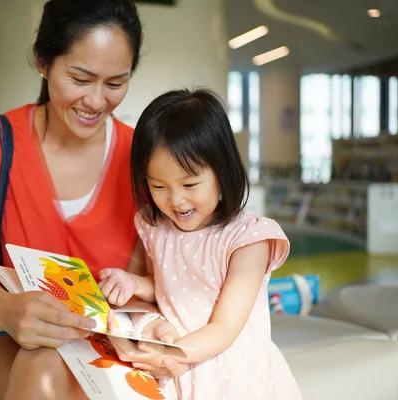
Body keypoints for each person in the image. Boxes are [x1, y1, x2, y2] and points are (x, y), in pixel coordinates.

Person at [0, 1, 187, 398]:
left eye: (114, 84)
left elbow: (148, 277)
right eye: (80, 78)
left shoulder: (145, 158)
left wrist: (139, 332)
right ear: (43, 61)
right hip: (4, 332)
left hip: (109, 340)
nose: (96, 101)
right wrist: (2, 307)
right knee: (43, 364)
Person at [98, 88, 303, 399]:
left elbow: (225, 327)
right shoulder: (155, 227)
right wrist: (133, 283)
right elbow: (166, 288)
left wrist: (171, 355)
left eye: (190, 184)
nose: (176, 199)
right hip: (177, 371)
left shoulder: (248, 239)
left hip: (234, 376)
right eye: (158, 186)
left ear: (222, 171)